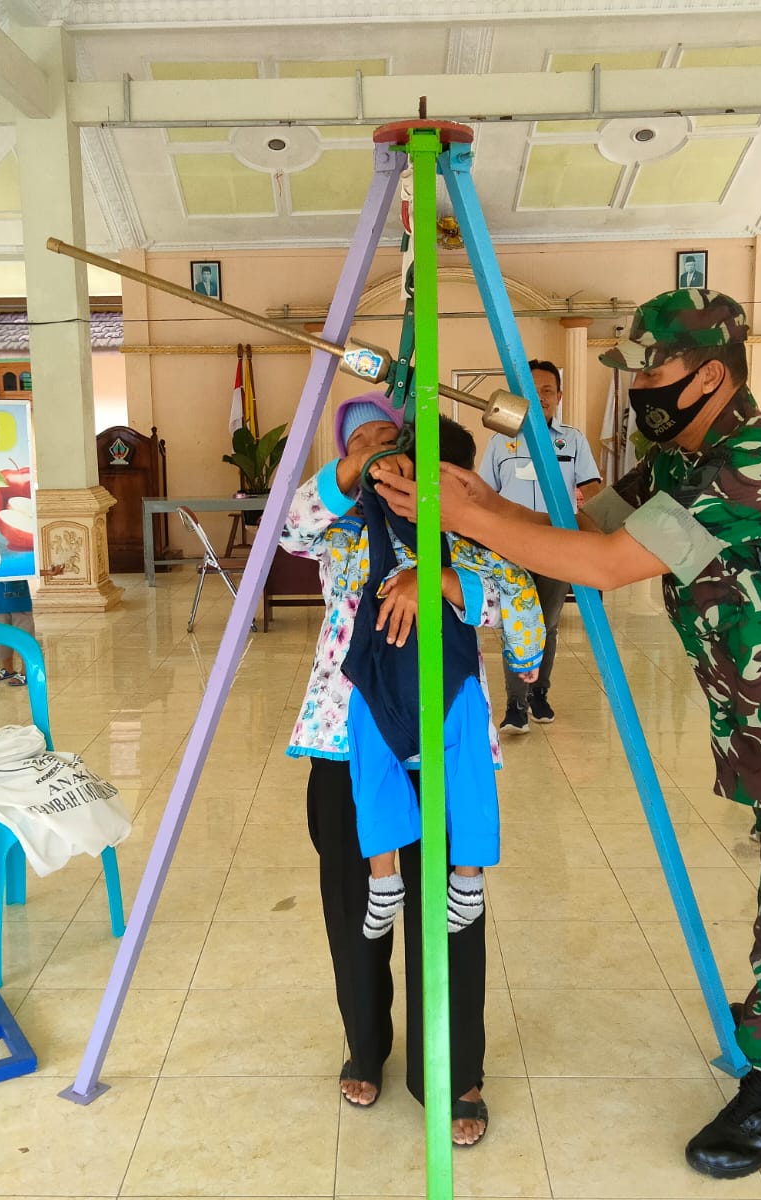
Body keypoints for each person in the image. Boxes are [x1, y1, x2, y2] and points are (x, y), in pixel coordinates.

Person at [373, 289, 761, 1178]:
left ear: (712, 375)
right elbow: (578, 529)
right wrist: (478, 498)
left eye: (655, 371)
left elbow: (608, 567)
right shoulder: (678, 463)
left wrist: (463, 518)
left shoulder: (758, 457)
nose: (640, 389)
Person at [281, 391, 530, 1146]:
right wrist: (348, 472)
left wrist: (445, 582)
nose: (397, 475)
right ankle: (365, 1044)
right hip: (346, 744)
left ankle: (452, 1071)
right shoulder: (344, 530)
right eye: (378, 459)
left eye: (408, 461)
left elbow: (517, 609)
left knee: (451, 916)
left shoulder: (470, 537)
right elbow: (288, 529)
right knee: (357, 902)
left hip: (445, 747)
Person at [346, 416, 544, 941]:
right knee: (372, 760)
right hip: (380, 679)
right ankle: (383, 879)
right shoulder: (362, 527)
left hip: (445, 676)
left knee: (466, 765)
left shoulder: (467, 542)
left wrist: (525, 655)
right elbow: (296, 529)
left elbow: (514, 585)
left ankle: (467, 876)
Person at [475, 359, 602, 733]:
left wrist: (597, 535)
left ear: (559, 396)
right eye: (531, 390)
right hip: (511, 547)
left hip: (557, 545)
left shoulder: (573, 440)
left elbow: (592, 488)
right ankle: (515, 705)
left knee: (547, 623)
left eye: (547, 390)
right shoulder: (500, 441)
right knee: (517, 624)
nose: (540, 397)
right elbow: (485, 494)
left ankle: (538, 694)